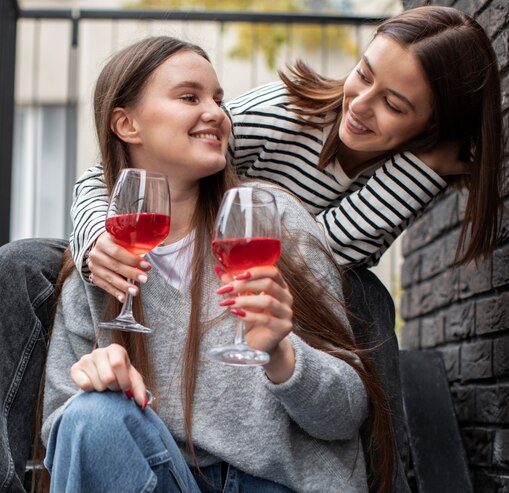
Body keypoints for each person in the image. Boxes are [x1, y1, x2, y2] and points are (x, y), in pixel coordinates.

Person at [0, 5, 503, 492]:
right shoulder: (281, 112)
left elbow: (335, 244)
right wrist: (98, 234)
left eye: (394, 104)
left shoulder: (292, 216)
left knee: (368, 297)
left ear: (428, 127)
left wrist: (283, 347)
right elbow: (110, 173)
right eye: (361, 75)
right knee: (21, 270)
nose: (359, 103)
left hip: (259, 244)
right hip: (162, 236)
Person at [42, 35, 393, 493]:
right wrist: (95, 379)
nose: (217, 114)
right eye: (190, 97)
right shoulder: (100, 263)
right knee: (90, 418)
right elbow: (61, 430)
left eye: (218, 100)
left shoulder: (274, 224)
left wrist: (282, 355)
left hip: (275, 485)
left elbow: (345, 415)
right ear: (126, 124)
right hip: (162, 478)